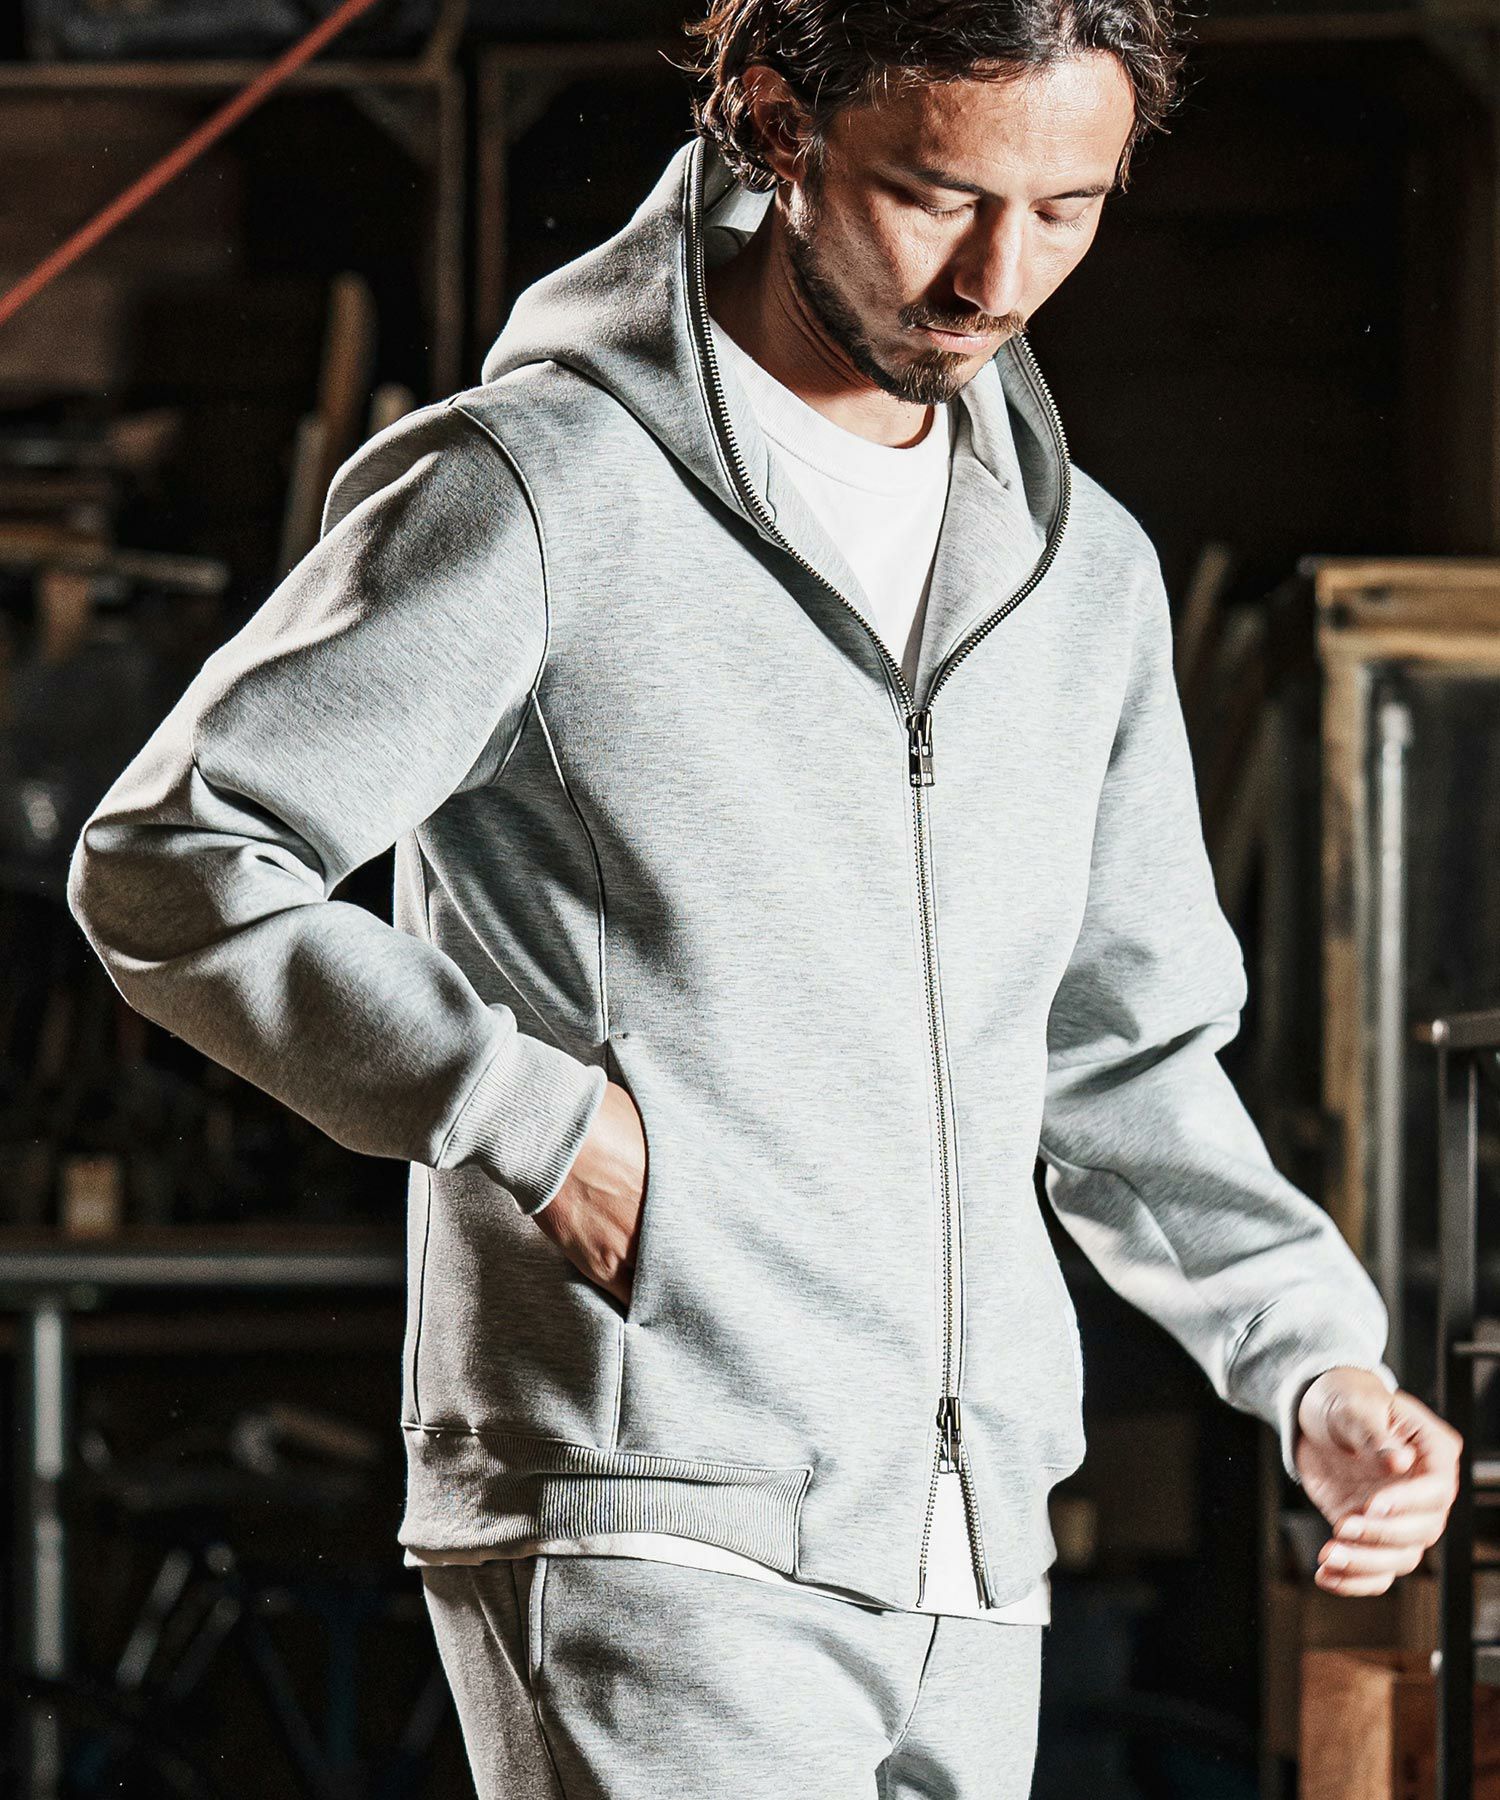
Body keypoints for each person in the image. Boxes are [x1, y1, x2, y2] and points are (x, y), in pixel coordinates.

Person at [67, 2, 1461, 1794]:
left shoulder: (1077, 573)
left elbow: (1119, 1054)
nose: (997, 279)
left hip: (971, 1560)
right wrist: (533, 1123)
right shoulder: (541, 488)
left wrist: (1311, 1363)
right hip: (656, 1509)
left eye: (1066, 210)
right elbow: (176, 859)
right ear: (775, 122)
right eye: (936, 196)